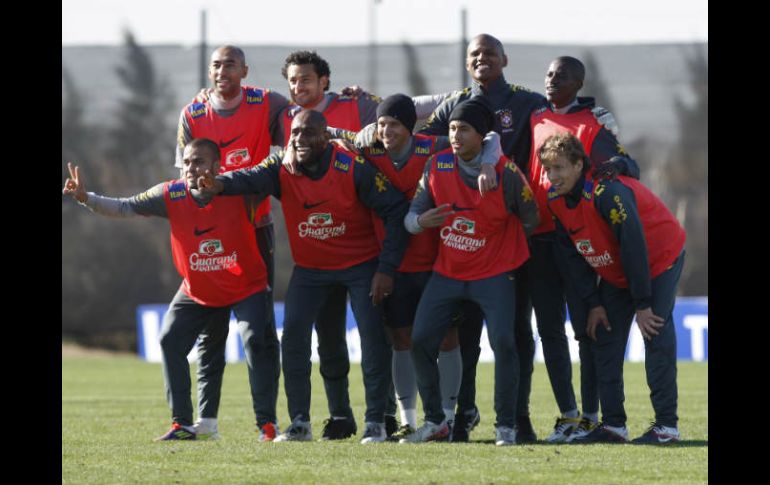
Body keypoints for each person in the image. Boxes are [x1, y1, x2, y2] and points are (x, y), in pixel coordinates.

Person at [419, 33, 619, 443]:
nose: (482, 60)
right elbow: (422, 131)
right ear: (466, 61)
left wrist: (600, 118)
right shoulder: (454, 102)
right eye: (474, 54)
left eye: (489, 53)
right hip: (474, 241)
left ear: (504, 60)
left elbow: (567, 114)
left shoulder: (528, 103)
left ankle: (521, 416)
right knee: (471, 334)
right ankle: (464, 414)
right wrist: (367, 113)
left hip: (528, 235)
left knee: (523, 333)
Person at [196, 110, 410, 444]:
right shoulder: (282, 165)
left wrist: (386, 269)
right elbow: (250, 177)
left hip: (360, 265)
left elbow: (396, 208)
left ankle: (376, 422)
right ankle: (299, 423)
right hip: (311, 270)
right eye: (295, 132)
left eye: (309, 133)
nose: (300, 139)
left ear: (326, 137)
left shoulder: (350, 166)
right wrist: (219, 184)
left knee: (372, 338)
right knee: (294, 338)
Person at [62, 139, 278, 441]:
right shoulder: (171, 193)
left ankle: (267, 425)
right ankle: (182, 424)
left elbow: (278, 178)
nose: (191, 168)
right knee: (169, 341)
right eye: (187, 162)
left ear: (217, 166)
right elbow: (126, 206)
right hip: (197, 290)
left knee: (256, 342)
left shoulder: (238, 190)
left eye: (200, 162)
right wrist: (86, 197)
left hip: (246, 286)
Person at [339, 94, 502, 441]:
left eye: (394, 124)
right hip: (393, 263)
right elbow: (331, 134)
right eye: (382, 124)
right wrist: (361, 131)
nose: (387, 131)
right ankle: (408, 418)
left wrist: (489, 162)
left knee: (446, 338)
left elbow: (486, 137)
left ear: (410, 126)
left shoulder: (435, 147)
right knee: (401, 340)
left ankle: (447, 413)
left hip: (437, 262)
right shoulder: (369, 149)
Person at [401, 98, 539, 446]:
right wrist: (420, 222)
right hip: (448, 273)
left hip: (495, 274)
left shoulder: (505, 173)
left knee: (504, 343)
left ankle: (505, 426)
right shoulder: (435, 166)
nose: (455, 135)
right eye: (452, 129)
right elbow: (412, 215)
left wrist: (503, 246)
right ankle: (436, 421)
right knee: (420, 341)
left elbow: (531, 216)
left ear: (482, 135)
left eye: (463, 129)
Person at [539, 132, 685, 444]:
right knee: (604, 334)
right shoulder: (554, 200)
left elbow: (633, 247)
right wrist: (593, 302)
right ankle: (614, 426)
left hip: (659, 259)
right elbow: (570, 257)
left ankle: (666, 427)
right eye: (547, 169)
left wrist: (643, 305)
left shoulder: (607, 193)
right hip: (619, 272)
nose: (552, 177)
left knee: (654, 333)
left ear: (579, 165)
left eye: (559, 168)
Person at [175, 45, 287, 441]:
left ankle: (267, 423)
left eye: (231, 65)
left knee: (259, 333)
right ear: (210, 71)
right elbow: (183, 174)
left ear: (244, 70)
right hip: (211, 234)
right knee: (210, 333)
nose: (223, 71)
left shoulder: (266, 102)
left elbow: (303, 120)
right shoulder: (192, 114)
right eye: (217, 65)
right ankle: (207, 422)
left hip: (254, 229)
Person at [527, 56, 641, 443]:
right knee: (549, 331)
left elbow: (627, 164)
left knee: (586, 329)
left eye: (561, 75)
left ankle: (592, 415)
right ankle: (568, 415)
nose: (552, 80)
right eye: (548, 74)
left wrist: (620, 164)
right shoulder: (534, 116)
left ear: (579, 83)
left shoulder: (595, 123)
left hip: (578, 239)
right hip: (539, 238)